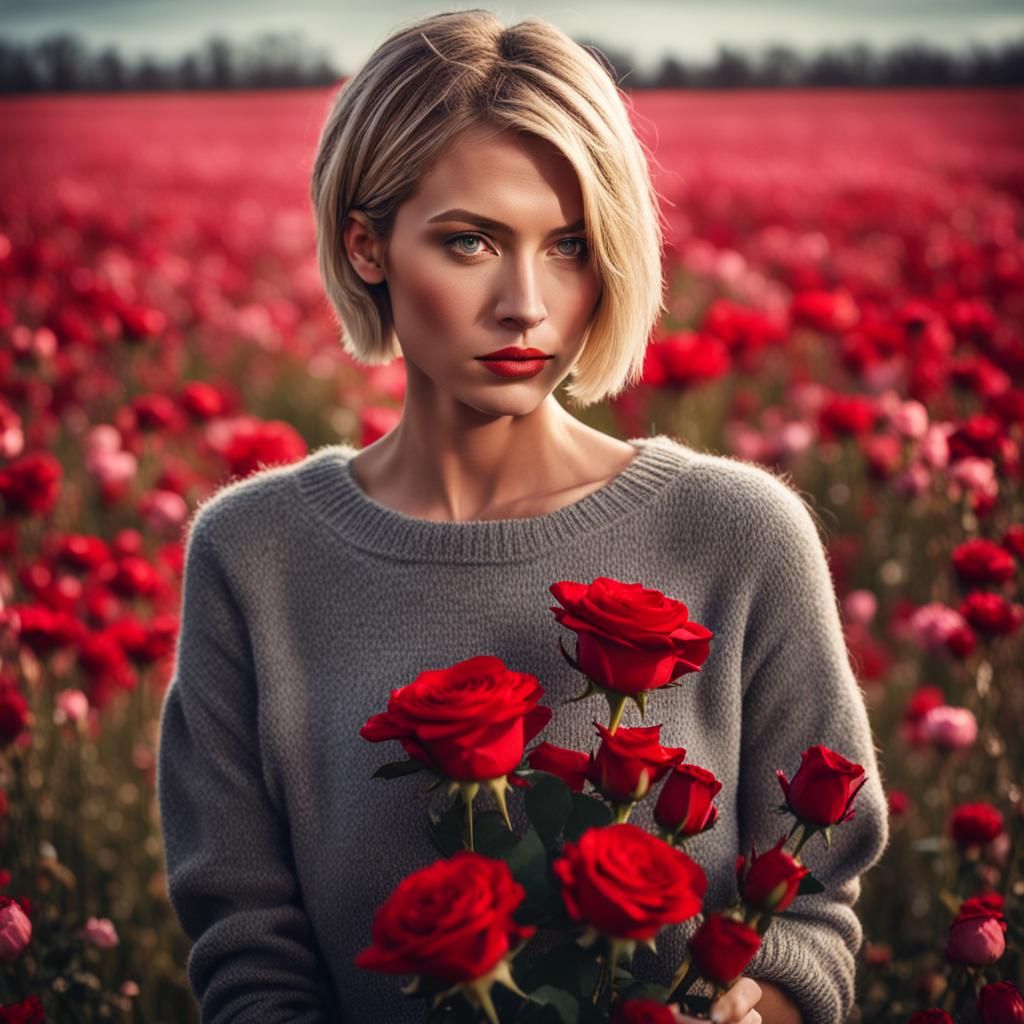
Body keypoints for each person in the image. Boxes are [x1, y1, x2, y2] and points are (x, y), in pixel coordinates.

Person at [156, 9, 889, 1024]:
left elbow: (814, 904)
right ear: (366, 245)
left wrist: (758, 1004)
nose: (526, 304)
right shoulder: (253, 555)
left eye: (570, 246)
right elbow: (247, 951)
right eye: (470, 242)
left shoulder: (739, 534)